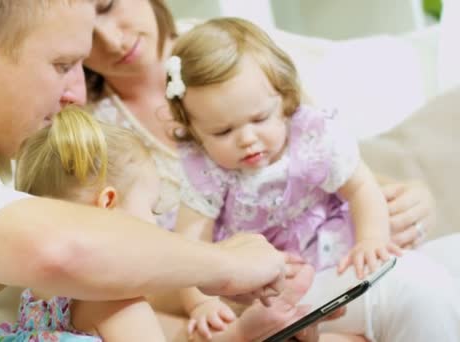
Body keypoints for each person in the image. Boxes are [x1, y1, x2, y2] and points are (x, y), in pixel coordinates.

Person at [0, 1, 306, 341]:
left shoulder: (7, 152)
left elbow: (111, 288)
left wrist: (219, 309)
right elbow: (58, 251)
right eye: (63, 65)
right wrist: (225, 266)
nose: (74, 92)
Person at [164, 17, 460, 341]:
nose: (247, 138)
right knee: (414, 287)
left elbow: (361, 187)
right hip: (281, 289)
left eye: (260, 118)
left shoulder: (311, 137)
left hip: (344, 254)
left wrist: (371, 239)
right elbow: (191, 250)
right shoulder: (206, 172)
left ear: (284, 99)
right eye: (223, 131)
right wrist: (201, 305)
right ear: (192, 130)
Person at [0, 105, 322, 342]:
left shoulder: (37, 291)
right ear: (108, 204)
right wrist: (242, 333)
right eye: (150, 208)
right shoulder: (114, 298)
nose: (156, 224)